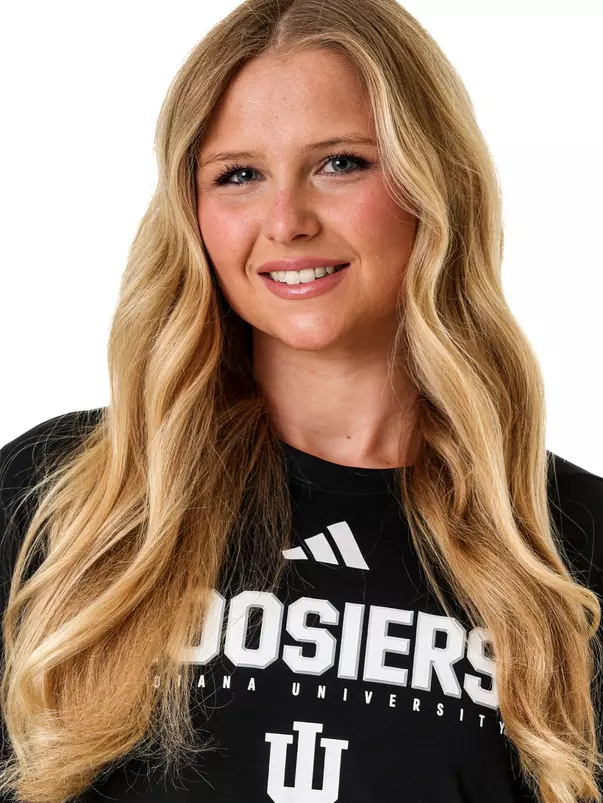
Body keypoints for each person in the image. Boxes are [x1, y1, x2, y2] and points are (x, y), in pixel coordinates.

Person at [1, 0, 602, 801]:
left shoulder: (566, 548)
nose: (285, 221)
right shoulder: (68, 500)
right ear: (193, 212)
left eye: (341, 163)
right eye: (238, 175)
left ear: (434, 181)